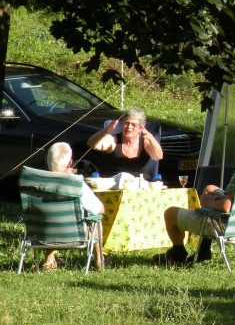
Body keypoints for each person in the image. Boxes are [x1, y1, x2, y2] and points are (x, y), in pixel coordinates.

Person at [154, 129, 235, 266]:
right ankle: (204, 249)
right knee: (210, 188)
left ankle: (178, 253)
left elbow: (226, 207)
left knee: (170, 213)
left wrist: (208, 201)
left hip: (229, 225)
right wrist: (216, 196)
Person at [43, 142, 105, 270]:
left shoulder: (35, 181)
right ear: (70, 163)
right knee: (97, 217)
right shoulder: (76, 184)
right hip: (73, 236)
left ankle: (49, 260)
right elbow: (99, 209)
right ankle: (99, 260)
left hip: (42, 234)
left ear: (47, 161)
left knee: (50, 218)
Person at [87, 108, 163, 179]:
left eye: (133, 125)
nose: (129, 127)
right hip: (113, 187)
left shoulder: (146, 141)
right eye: (126, 123)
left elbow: (158, 156)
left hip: (140, 187)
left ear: (141, 128)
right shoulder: (113, 140)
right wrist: (105, 131)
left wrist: (151, 137)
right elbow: (91, 144)